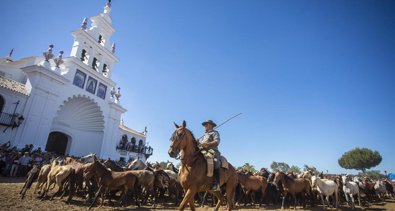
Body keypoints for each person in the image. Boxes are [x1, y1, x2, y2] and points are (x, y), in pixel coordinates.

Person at [200, 120, 221, 191]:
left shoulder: (215, 133)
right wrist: (197, 143)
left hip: (213, 151)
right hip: (203, 152)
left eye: (206, 125)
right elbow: (201, 145)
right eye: (205, 125)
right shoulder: (204, 136)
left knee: (215, 162)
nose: (205, 126)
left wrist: (206, 144)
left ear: (211, 125)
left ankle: (216, 184)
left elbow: (216, 142)